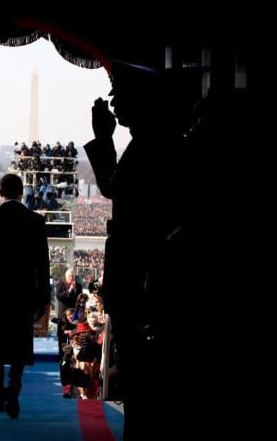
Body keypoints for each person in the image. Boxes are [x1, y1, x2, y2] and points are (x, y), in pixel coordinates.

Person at [84, 60, 185, 440]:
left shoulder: (156, 144)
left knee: (144, 381)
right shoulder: (151, 140)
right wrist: (105, 136)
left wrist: (104, 137)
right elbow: (116, 188)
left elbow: (118, 191)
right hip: (137, 282)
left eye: (120, 97)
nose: (113, 104)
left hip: (143, 285)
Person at [0, 173, 50, 419]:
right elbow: (42, 264)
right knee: (19, 343)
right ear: (21, 192)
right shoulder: (35, 220)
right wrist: (43, 298)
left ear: (0, 192)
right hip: (23, 294)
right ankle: (14, 385)